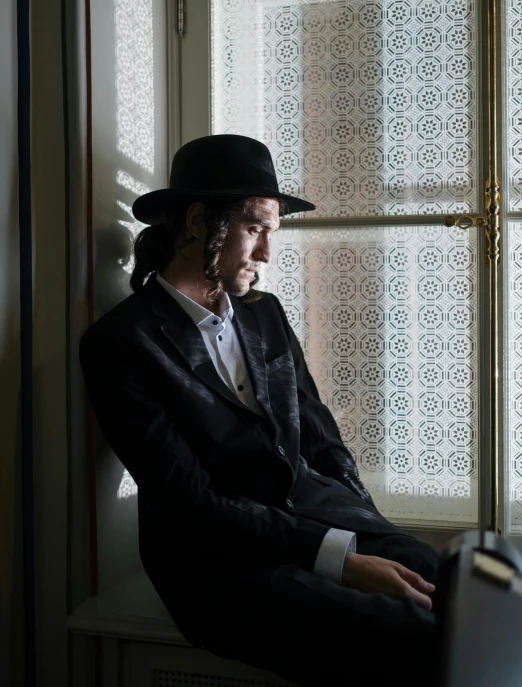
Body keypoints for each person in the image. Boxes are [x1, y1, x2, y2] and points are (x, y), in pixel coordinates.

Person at [80, 134, 440, 686]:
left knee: (460, 582)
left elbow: (321, 437)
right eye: (256, 230)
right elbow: (189, 502)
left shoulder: (263, 313)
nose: (268, 254)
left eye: (273, 232)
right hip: (216, 565)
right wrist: (340, 560)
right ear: (198, 223)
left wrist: (365, 526)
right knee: (421, 633)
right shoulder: (121, 343)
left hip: (315, 519)